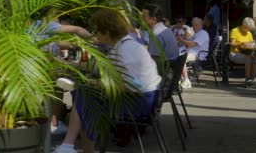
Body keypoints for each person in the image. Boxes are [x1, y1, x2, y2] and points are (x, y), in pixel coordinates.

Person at [54, 9, 161, 153]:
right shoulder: (123, 45)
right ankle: (70, 145)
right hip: (146, 98)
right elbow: (103, 68)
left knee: (84, 98)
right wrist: (70, 64)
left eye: (97, 30)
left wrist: (92, 83)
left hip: (139, 103)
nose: (95, 34)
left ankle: (70, 145)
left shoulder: (125, 50)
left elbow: (130, 85)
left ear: (107, 31)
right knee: (83, 97)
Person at [29, 10, 93, 135]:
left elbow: (61, 44)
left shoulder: (34, 27)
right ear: (55, 17)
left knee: (61, 80)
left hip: (32, 67)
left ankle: (51, 120)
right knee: (60, 84)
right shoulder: (48, 25)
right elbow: (77, 29)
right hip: (44, 68)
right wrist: (94, 40)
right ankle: (54, 123)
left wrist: (75, 45)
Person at [177, 17, 210, 89]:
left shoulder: (203, 33)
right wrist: (185, 31)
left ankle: (186, 80)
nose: (194, 27)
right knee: (175, 56)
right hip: (191, 53)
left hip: (198, 55)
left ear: (201, 25)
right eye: (193, 25)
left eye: (196, 25)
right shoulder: (196, 34)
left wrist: (182, 40)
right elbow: (188, 42)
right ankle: (180, 78)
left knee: (181, 58)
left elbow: (192, 44)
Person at [229, 17, 256, 87]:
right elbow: (232, 44)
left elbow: (251, 44)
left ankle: (253, 78)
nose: (249, 30)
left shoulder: (249, 33)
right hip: (235, 53)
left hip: (246, 52)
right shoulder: (235, 30)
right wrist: (241, 44)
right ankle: (247, 79)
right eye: (248, 28)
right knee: (248, 58)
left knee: (255, 58)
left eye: (250, 29)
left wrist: (252, 44)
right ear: (244, 25)